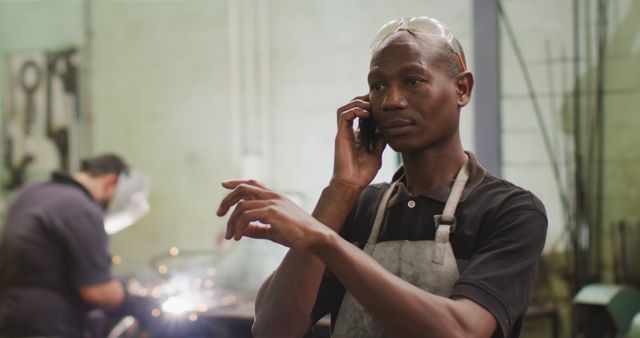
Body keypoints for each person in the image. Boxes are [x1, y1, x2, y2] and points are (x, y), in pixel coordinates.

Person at [217, 16, 547, 338]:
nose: (391, 101)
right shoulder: (359, 209)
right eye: (378, 86)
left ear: (462, 88)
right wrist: (340, 190)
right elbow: (274, 329)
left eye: (413, 81)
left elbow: (461, 330)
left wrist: (322, 239)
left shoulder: (509, 210)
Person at [0, 154, 152, 338]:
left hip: (11, 318)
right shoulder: (82, 208)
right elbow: (98, 292)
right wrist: (135, 300)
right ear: (110, 182)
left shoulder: (32, 191)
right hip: (49, 326)